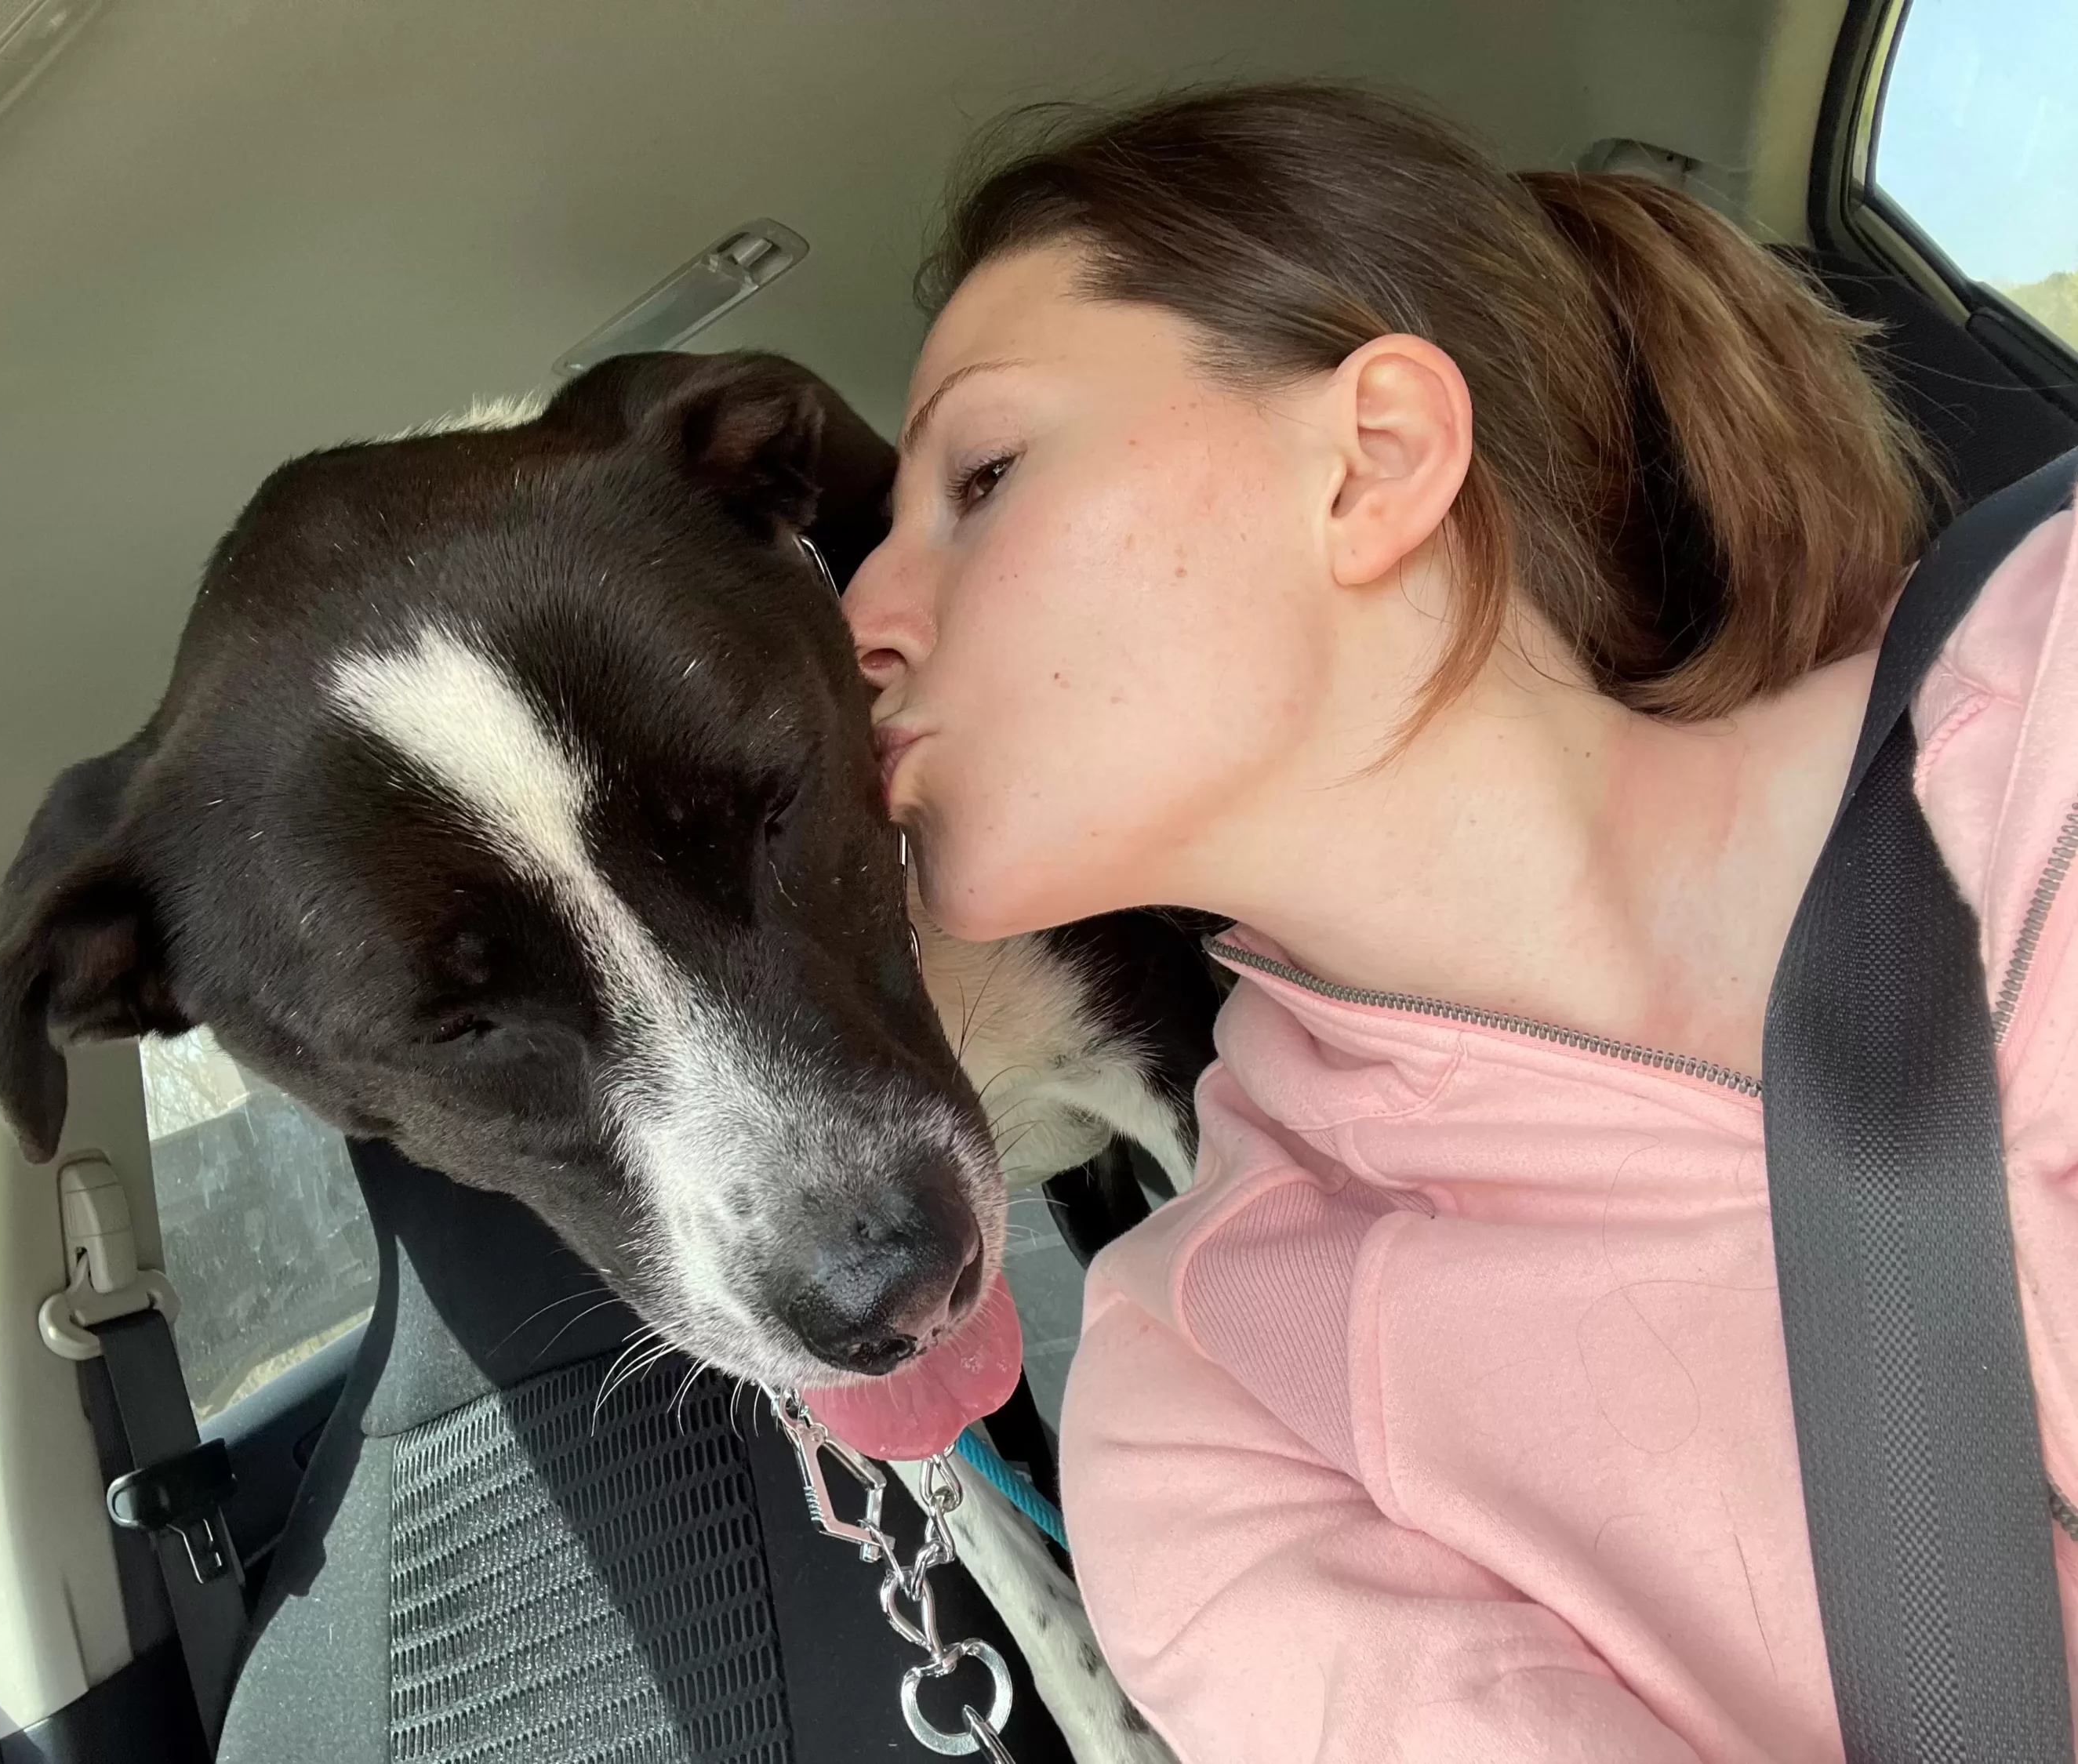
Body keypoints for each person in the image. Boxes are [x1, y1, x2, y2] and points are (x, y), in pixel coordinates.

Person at [844, 82, 2078, 1762]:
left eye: (982, 476)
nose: (859, 620)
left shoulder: (2051, 681)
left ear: (1376, 459)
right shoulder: (1216, 1403)